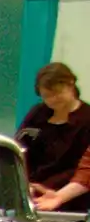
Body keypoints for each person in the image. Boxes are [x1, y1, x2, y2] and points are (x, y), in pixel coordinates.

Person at [20, 62, 90, 212]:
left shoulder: (87, 119)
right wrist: (25, 183)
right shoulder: (37, 113)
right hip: (29, 189)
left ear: (71, 84)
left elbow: (83, 169)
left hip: (68, 195)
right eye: (47, 96)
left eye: (57, 93)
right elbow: (20, 149)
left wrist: (56, 193)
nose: (53, 100)